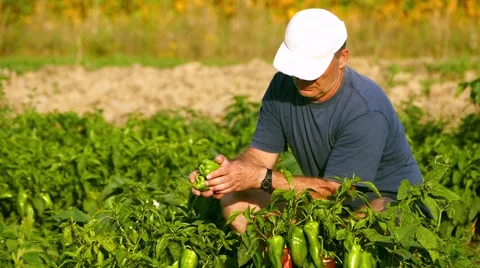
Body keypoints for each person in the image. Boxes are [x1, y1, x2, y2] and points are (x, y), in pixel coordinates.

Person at [189, 8, 423, 233]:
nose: (302, 77)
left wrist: (259, 177)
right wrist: (229, 175)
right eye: (297, 67)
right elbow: (259, 157)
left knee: (372, 217)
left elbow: (337, 192)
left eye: (312, 69)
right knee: (237, 198)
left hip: (387, 204)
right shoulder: (283, 86)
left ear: (342, 58)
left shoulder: (364, 110)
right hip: (323, 200)